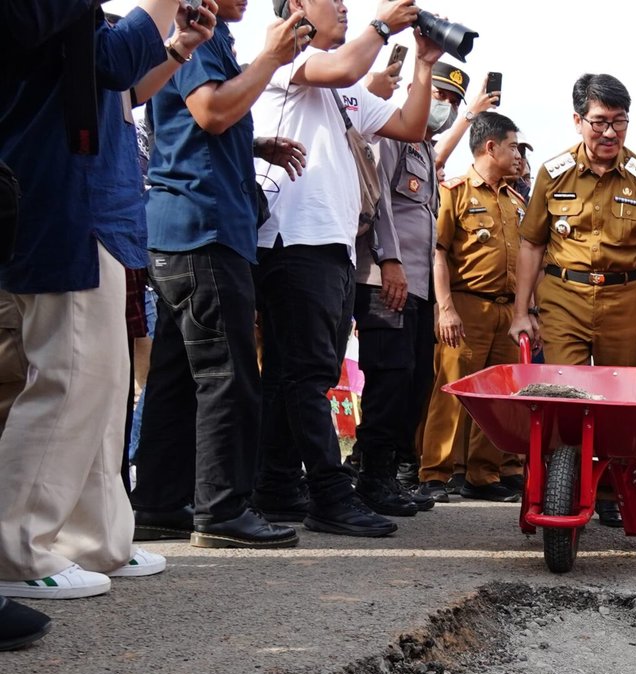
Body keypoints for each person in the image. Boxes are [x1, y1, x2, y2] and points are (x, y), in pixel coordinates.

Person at [0, 0, 204, 601]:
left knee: (103, 386)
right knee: (69, 379)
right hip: (63, 200)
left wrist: (175, 48)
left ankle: (93, 539)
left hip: (93, 204)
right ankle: (15, 547)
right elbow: (107, 61)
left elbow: (115, 80)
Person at [252, 0, 441, 537]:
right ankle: (330, 495)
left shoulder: (345, 88)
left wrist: (424, 63)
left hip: (335, 245)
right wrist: (383, 25)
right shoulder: (284, 56)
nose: (342, 6)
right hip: (292, 239)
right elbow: (343, 66)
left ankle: (276, 486)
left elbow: (410, 125)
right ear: (295, 7)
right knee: (307, 374)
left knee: (291, 373)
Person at [134, 0, 309, 551]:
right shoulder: (198, 33)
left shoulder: (206, 36)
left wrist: (252, 144)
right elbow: (210, 110)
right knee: (226, 375)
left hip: (184, 228)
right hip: (204, 228)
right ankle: (222, 510)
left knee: (175, 376)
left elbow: (190, 120)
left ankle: (160, 504)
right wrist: (271, 59)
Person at [507, 73, 636, 528]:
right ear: (578, 121)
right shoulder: (552, 174)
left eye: (619, 122)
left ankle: (608, 489)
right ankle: (557, 485)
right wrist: (521, 312)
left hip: (624, 300)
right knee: (561, 400)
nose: (609, 132)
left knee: (617, 403)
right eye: (600, 121)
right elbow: (531, 244)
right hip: (563, 298)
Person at [353, 60, 468, 515]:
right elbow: (378, 199)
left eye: (454, 101)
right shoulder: (394, 134)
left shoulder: (424, 147)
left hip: (416, 288)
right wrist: (389, 260)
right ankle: (370, 476)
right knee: (388, 378)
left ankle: (386, 473)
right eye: (440, 95)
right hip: (386, 281)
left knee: (414, 381)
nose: (446, 106)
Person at [414, 111, 525, 505]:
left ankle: (482, 474)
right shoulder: (454, 192)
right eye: (513, 146)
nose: (518, 155)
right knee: (451, 389)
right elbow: (437, 253)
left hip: (508, 311)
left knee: (499, 397)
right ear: (490, 147)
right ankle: (435, 473)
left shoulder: (515, 200)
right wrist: (445, 308)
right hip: (466, 306)